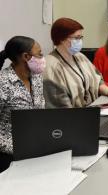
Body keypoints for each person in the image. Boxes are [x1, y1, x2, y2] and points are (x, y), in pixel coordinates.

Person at [44, 18, 108, 108]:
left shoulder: (80, 57)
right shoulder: (51, 66)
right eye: (77, 37)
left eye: (81, 37)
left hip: (90, 112)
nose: (80, 41)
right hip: (71, 118)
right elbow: (60, 105)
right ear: (62, 39)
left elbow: (97, 80)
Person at [0, 36, 45, 172]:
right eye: (40, 54)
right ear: (26, 56)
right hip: (9, 155)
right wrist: (17, 147)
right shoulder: (3, 82)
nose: (43, 58)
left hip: (36, 147)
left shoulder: (36, 77)